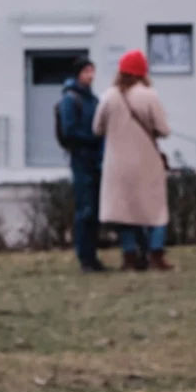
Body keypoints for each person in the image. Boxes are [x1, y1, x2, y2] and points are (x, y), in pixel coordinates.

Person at [95, 50, 174, 272]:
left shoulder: (109, 96)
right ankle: (156, 255)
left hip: (116, 165)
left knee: (125, 212)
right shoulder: (149, 95)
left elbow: (97, 128)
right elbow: (163, 129)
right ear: (142, 72)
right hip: (146, 162)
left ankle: (129, 256)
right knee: (155, 210)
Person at [56, 59, 109, 273]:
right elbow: (70, 130)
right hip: (82, 159)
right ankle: (85, 257)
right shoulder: (71, 99)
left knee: (94, 210)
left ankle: (92, 256)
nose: (91, 75)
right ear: (78, 73)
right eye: (87, 71)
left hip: (95, 159)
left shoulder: (92, 99)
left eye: (92, 71)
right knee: (85, 209)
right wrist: (92, 139)